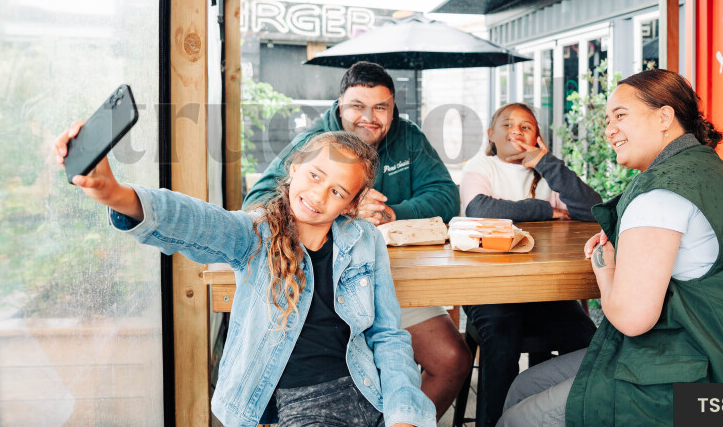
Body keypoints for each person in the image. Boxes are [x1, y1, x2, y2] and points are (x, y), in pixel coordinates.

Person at [54, 126, 436, 427]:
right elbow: (196, 222)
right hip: (303, 402)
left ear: (352, 204)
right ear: (294, 168)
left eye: (337, 191)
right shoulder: (254, 234)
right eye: (315, 175)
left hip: (369, 391)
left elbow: (387, 335)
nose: (318, 195)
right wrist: (116, 194)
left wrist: (403, 412)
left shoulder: (365, 239)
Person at [497, 69, 723, 427]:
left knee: (519, 418)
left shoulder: (660, 192)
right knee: (524, 385)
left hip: (720, 386)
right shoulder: (705, 168)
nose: (609, 129)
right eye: (607, 120)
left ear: (664, 117)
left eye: (620, 116)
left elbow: (630, 318)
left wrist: (604, 265)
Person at [244, 61, 470, 418]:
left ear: (393, 109)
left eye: (381, 107)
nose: (370, 117)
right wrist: (342, 207)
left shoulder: (407, 137)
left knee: (453, 359)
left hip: (395, 283)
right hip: (324, 291)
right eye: (357, 107)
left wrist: (390, 211)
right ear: (339, 105)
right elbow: (255, 202)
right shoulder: (315, 142)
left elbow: (445, 195)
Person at [459, 103, 599, 427]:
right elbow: (479, 207)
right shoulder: (481, 166)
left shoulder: (546, 171)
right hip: (489, 291)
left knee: (587, 339)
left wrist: (547, 163)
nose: (516, 131)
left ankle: (564, 417)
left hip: (544, 290)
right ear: (491, 134)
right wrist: (545, 210)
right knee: (501, 339)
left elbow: (592, 210)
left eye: (526, 126)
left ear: (537, 136)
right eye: (507, 124)